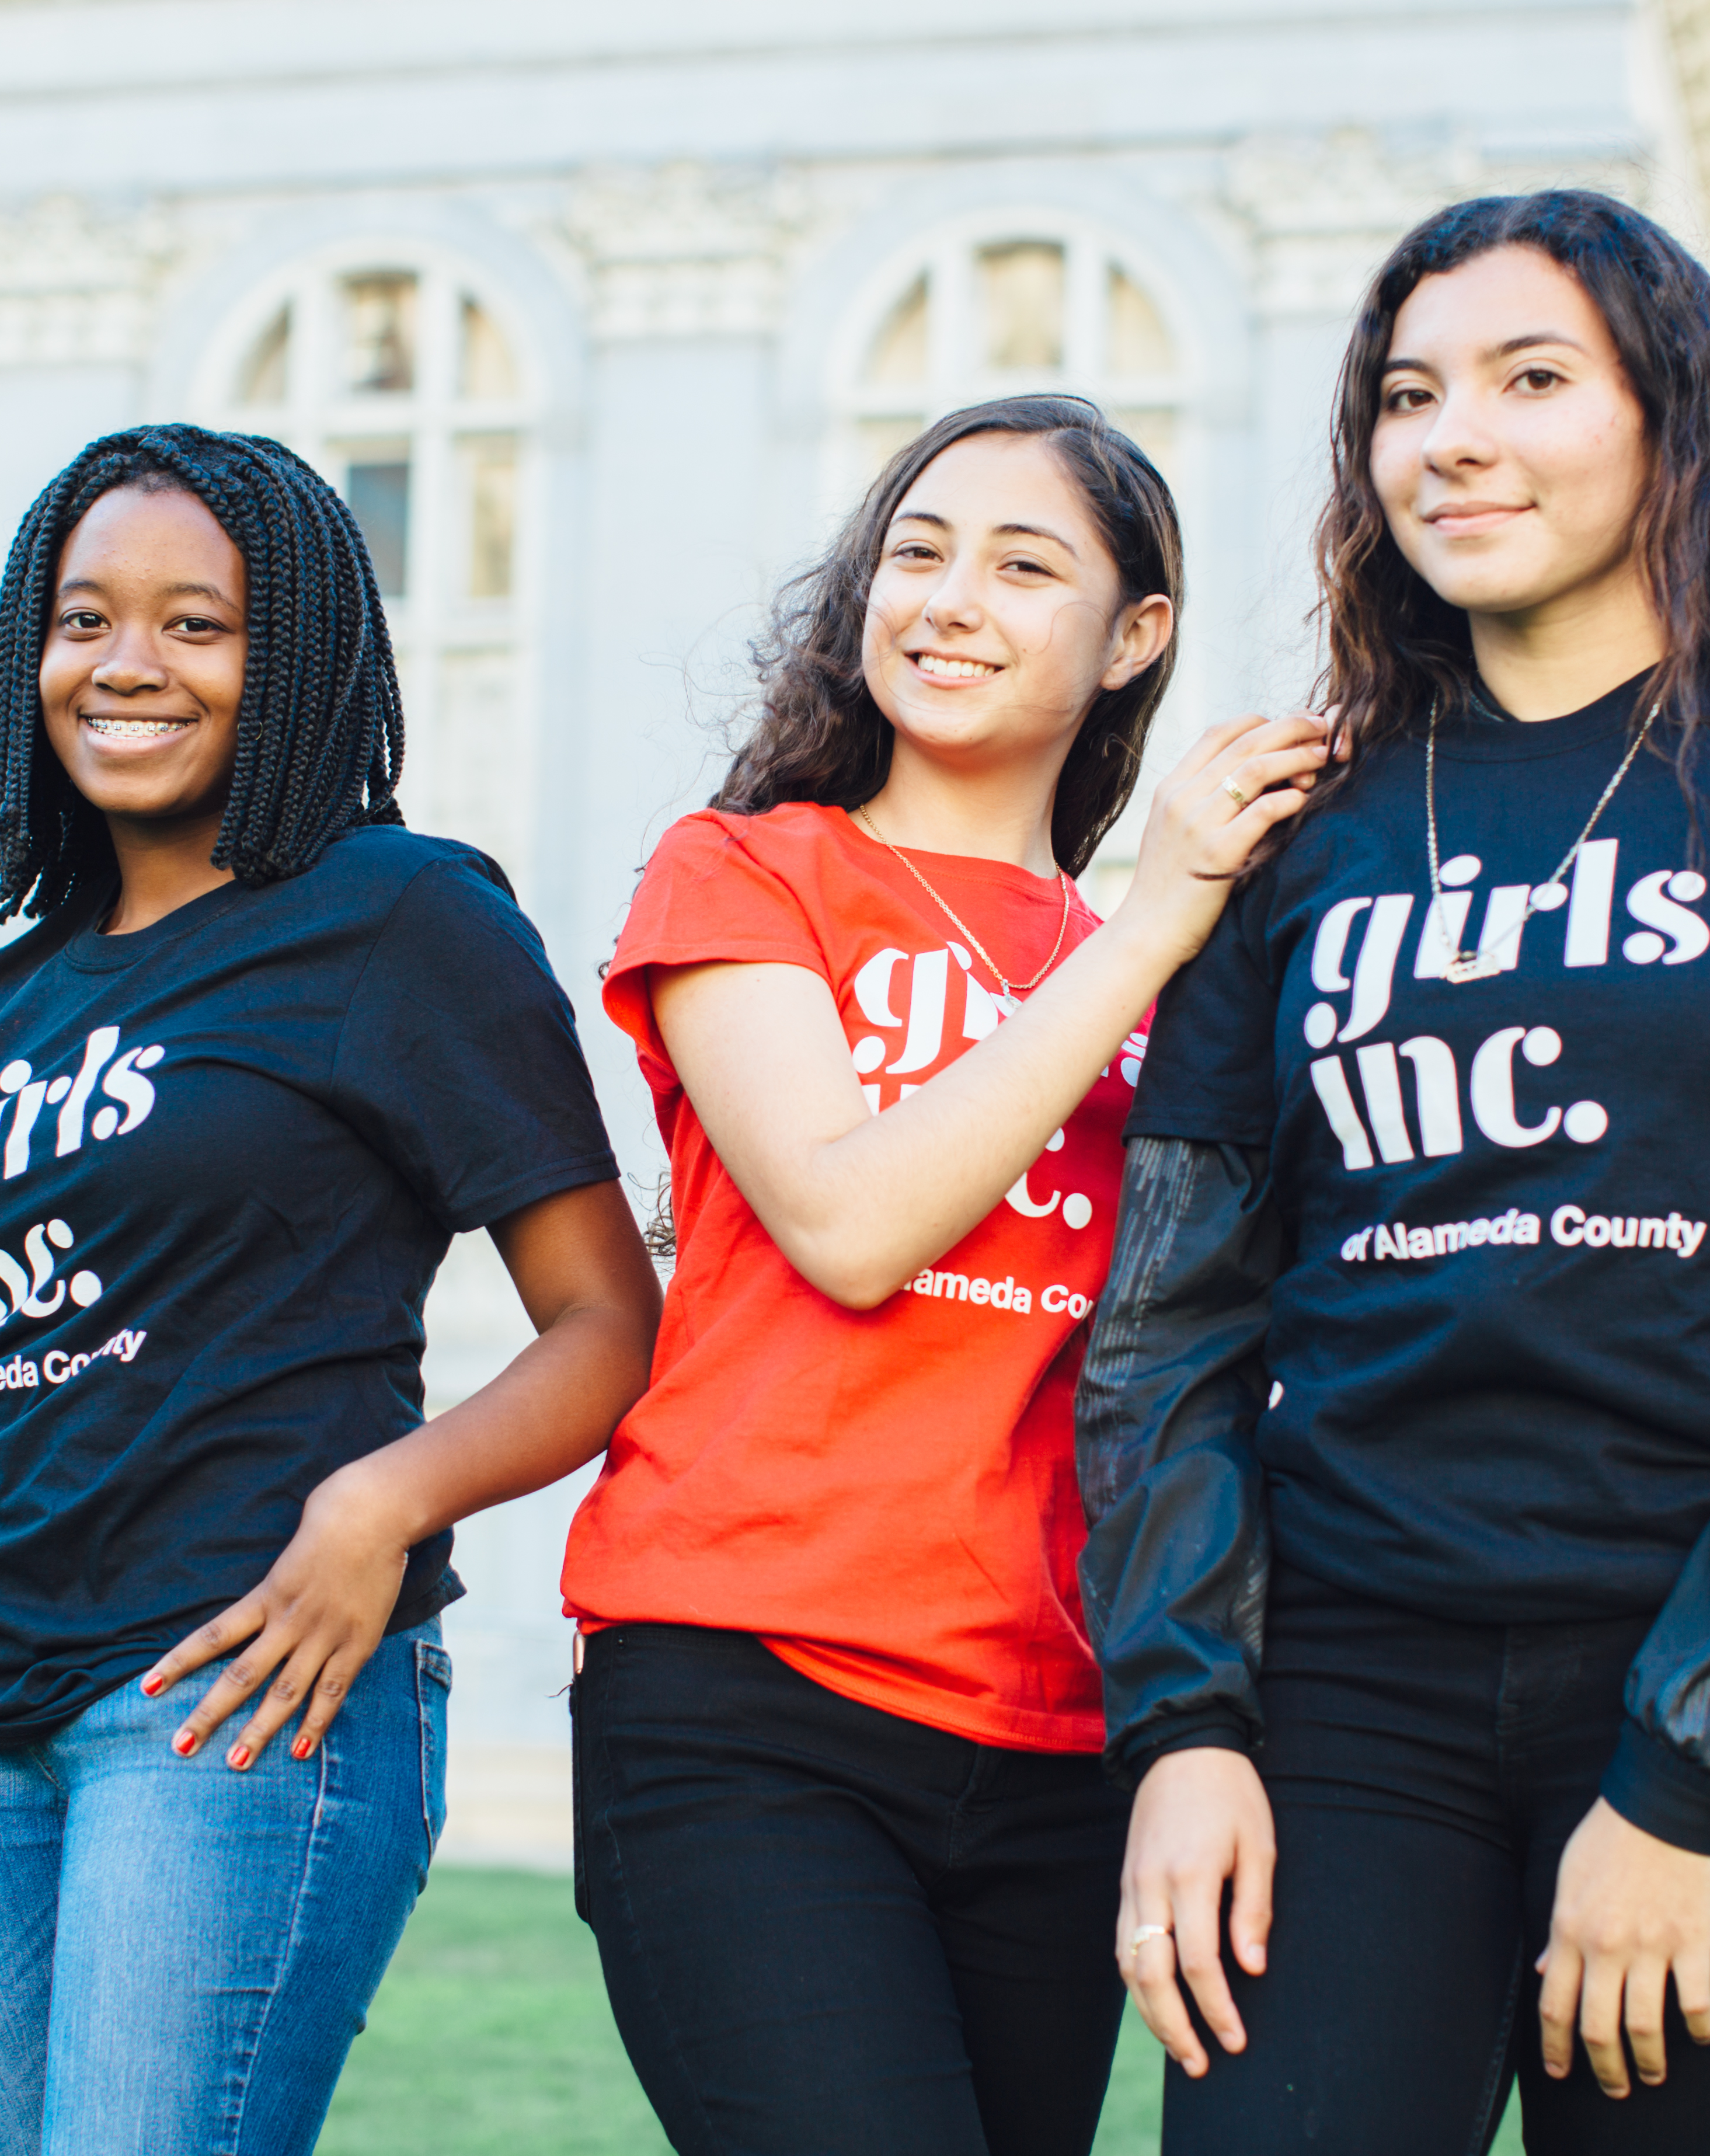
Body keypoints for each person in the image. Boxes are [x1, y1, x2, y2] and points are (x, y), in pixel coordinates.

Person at [1081, 191, 1710, 2155]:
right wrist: (1182, 1725)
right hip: (1346, 1697)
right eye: (1406, 395)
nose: (1453, 439)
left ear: (1672, 420)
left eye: (1530, 380)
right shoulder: (1296, 830)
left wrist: (1687, 1767)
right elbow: (1165, 1316)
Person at [0, 422, 661, 2156]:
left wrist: (382, 1504)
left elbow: (608, 1322)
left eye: (196, 624)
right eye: (84, 619)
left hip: (237, 1689)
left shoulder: (398, 918)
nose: (127, 664)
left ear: (288, 657)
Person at [560, 393, 1331, 2156]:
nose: (948, 600)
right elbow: (847, 1225)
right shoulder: (747, 869)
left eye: (1022, 566)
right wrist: (1155, 919)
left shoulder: (1186, 974)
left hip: (1063, 1732)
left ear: (1134, 638)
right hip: (749, 1694)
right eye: (916, 553)